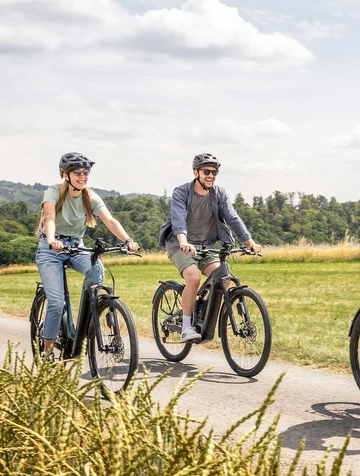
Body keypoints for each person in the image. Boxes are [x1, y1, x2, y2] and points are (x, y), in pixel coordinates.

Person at [36, 152, 139, 357]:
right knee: (56, 303)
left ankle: (84, 321)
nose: (82, 176)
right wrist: (51, 239)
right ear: (65, 175)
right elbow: (49, 217)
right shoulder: (53, 192)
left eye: (85, 172)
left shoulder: (89, 196)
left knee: (96, 270)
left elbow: (110, 220)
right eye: (77, 172)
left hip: (77, 246)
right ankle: (46, 354)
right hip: (51, 249)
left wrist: (127, 240)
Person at [157, 153, 260, 342]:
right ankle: (187, 327)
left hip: (206, 247)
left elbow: (232, 217)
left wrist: (249, 242)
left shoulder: (219, 194)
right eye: (206, 171)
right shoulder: (181, 192)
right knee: (194, 278)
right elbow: (179, 220)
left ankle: (200, 309)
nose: (210, 175)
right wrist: (183, 241)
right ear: (196, 172)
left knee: (224, 279)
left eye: (214, 172)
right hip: (180, 245)